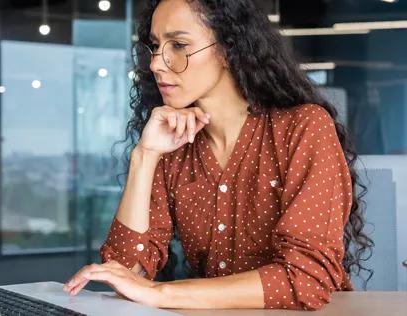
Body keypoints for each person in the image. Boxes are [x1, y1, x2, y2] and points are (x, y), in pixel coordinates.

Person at [63, 0, 373, 310]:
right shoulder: (173, 144)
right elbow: (125, 273)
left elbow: (306, 278)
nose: (157, 63)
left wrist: (163, 293)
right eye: (155, 47)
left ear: (228, 48)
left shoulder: (303, 127)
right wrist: (145, 156)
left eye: (179, 45)